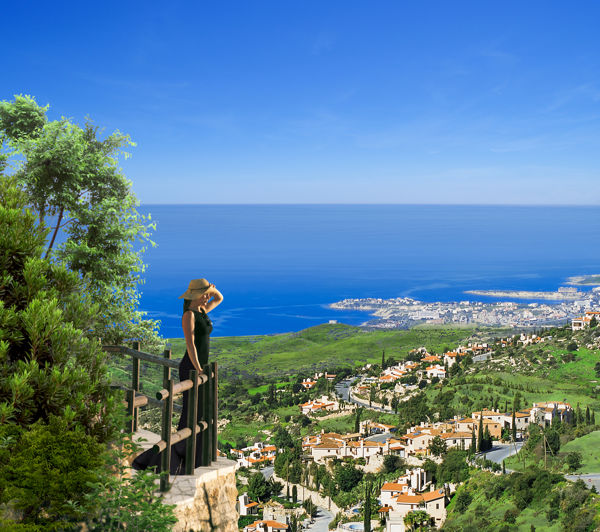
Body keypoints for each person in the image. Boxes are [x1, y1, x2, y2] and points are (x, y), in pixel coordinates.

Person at [132, 278, 223, 474]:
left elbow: (220, 298)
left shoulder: (202, 311)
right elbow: (190, 345)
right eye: (204, 294)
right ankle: (174, 456)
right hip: (191, 367)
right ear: (195, 296)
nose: (208, 298)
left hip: (200, 368)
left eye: (207, 294)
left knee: (199, 411)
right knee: (191, 411)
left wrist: (212, 290)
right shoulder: (189, 315)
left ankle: (192, 455)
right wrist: (198, 369)